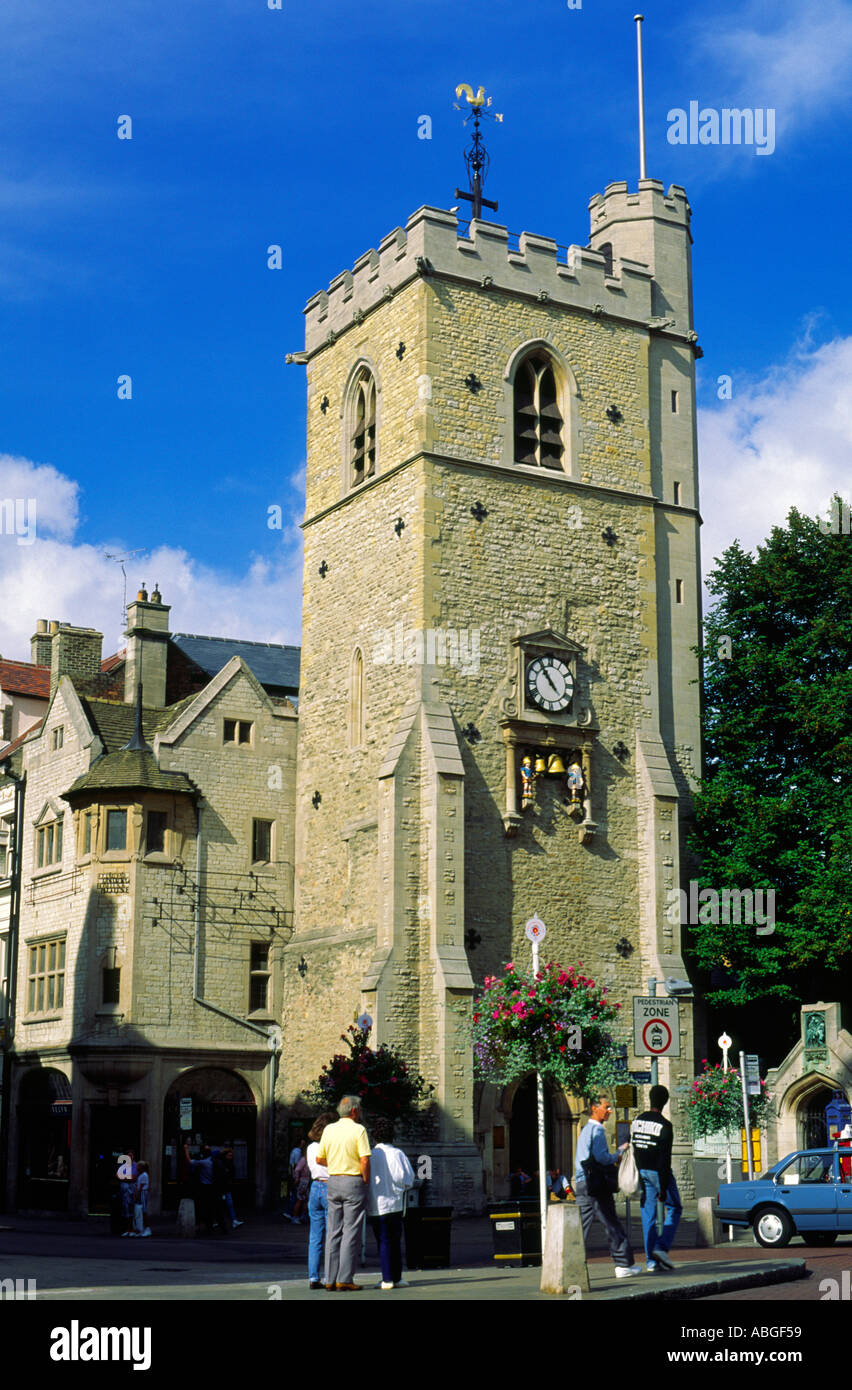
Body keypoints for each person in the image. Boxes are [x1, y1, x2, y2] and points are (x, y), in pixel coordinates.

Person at [574, 1096, 641, 1278]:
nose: (610, 1111)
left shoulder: (585, 1130)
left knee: (578, 1226)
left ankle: (569, 1260)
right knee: (612, 1223)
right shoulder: (597, 1131)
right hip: (596, 1183)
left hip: (582, 1182)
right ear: (595, 1108)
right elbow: (601, 1157)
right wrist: (618, 1154)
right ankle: (623, 1265)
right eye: (607, 1107)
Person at [314, 1095, 371, 1291]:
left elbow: (319, 1159)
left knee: (333, 1231)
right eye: (360, 1109)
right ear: (354, 1111)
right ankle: (344, 1278)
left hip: (333, 1181)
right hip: (353, 1181)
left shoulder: (329, 1129)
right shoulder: (359, 1130)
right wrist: (365, 1180)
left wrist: (337, 1163)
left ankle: (329, 1278)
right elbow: (364, 1160)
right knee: (351, 1231)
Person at [630, 1084, 681, 1272]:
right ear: (665, 1102)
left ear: (650, 1099)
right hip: (659, 1173)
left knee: (648, 1215)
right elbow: (664, 1159)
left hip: (642, 1171)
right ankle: (661, 1247)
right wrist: (663, 1186)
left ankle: (650, 1261)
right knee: (675, 1207)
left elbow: (635, 1150)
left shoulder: (636, 1121)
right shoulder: (665, 1126)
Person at [367, 1116, 415, 1290]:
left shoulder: (370, 1155)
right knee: (395, 1241)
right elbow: (408, 1179)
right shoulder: (398, 1154)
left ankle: (387, 1278)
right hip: (395, 1203)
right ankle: (397, 1276)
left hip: (376, 1204)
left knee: (383, 1241)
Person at [306, 1111, 337, 1289]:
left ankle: (313, 1277)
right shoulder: (330, 1147)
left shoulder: (311, 1147)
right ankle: (329, 1276)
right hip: (330, 1186)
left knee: (315, 1236)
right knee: (331, 1235)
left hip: (315, 1187)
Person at [183, 1141, 218, 1235]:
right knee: (210, 1207)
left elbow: (189, 1161)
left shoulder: (204, 1162)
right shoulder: (212, 1161)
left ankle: (200, 1225)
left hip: (204, 1187)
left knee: (202, 1206)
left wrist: (186, 1149)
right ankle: (210, 1225)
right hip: (212, 1187)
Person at [216, 1146, 243, 1230]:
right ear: (225, 1156)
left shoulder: (229, 1164)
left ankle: (232, 1220)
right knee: (224, 1205)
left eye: (231, 1156)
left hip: (226, 1187)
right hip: (222, 1188)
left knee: (228, 1205)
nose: (230, 1157)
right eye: (229, 1155)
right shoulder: (223, 1164)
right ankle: (222, 1221)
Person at [117, 1150, 137, 1237]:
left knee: (132, 1210)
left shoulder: (135, 1165)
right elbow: (118, 1175)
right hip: (124, 1192)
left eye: (131, 1155)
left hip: (132, 1191)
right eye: (128, 1156)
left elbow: (134, 1178)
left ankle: (132, 1229)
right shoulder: (123, 1166)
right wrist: (126, 1178)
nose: (129, 1157)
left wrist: (124, 1178)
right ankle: (127, 1229)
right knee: (125, 1211)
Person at [131, 1161, 151, 1237]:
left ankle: (147, 1228)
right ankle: (142, 1229)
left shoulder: (144, 1175)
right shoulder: (141, 1175)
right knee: (142, 1212)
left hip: (142, 1193)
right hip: (141, 1193)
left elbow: (141, 1188)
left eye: (138, 1166)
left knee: (144, 1211)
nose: (137, 1168)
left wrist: (137, 1196)